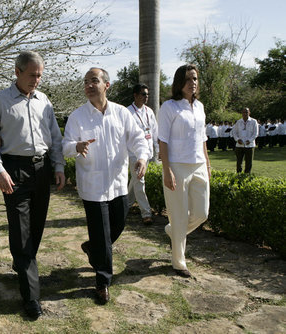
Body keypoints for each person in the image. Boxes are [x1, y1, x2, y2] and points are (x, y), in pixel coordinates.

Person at [0, 51, 66, 319]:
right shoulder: (0, 101)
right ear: (17, 72)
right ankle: (31, 296)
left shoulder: (44, 101)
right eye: (32, 75)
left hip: (41, 170)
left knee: (36, 227)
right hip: (14, 170)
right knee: (21, 230)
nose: (36, 80)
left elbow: (55, 136)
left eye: (40, 75)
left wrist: (60, 166)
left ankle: (22, 261)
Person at [63, 68, 150, 305]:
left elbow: (138, 139)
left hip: (119, 184)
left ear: (107, 85)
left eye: (94, 81)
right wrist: (76, 147)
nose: (89, 85)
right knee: (102, 233)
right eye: (86, 82)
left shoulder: (122, 114)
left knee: (118, 225)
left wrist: (142, 157)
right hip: (92, 187)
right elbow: (65, 145)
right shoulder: (78, 116)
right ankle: (102, 281)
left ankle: (93, 247)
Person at [158, 64, 210, 278]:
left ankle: (173, 232)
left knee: (201, 213)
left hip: (198, 165)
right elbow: (163, 140)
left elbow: (203, 138)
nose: (193, 83)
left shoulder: (200, 107)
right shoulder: (169, 107)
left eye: (195, 79)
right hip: (177, 166)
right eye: (188, 79)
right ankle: (179, 262)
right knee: (178, 216)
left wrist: (207, 163)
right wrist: (167, 170)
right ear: (179, 83)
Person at [126, 83, 158, 225]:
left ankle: (124, 206)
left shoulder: (149, 111)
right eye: (143, 94)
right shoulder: (127, 112)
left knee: (135, 181)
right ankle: (146, 213)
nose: (146, 97)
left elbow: (154, 131)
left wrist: (157, 149)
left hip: (148, 152)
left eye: (147, 94)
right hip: (134, 155)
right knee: (140, 182)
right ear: (135, 95)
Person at [232, 107, 259, 173]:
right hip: (239, 145)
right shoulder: (238, 122)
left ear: (249, 113)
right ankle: (238, 174)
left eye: (246, 112)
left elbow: (256, 133)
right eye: (243, 112)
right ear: (241, 113)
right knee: (239, 162)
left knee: (249, 162)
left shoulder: (253, 121)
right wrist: (237, 139)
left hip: (249, 145)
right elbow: (234, 132)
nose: (245, 114)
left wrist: (250, 140)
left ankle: (246, 176)